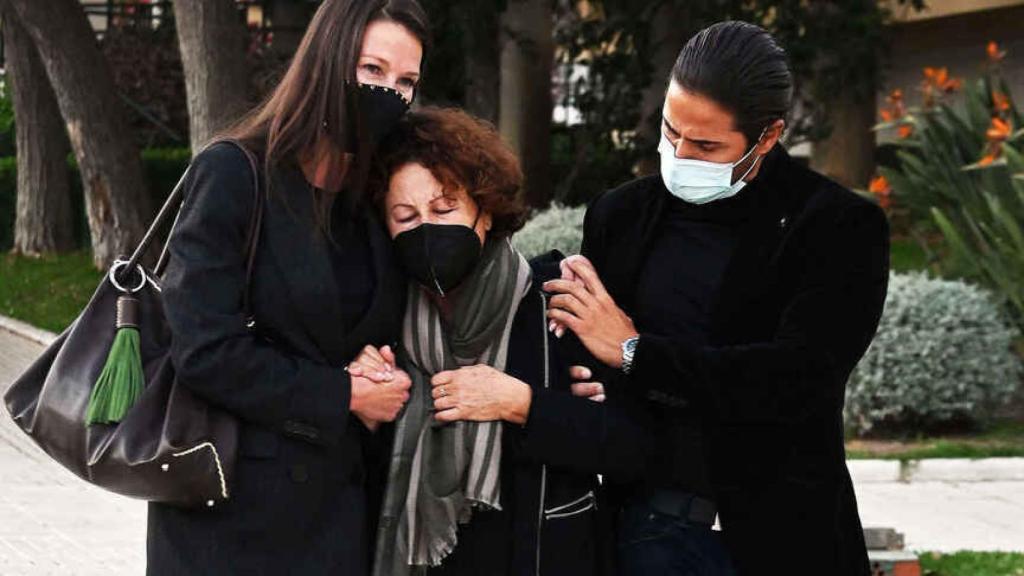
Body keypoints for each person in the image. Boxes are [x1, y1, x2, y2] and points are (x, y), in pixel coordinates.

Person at [545, 21, 889, 576]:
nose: (679, 153)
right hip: (642, 531)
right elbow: (598, 361)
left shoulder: (837, 227)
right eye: (670, 130)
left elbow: (796, 379)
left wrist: (636, 352)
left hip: (778, 538)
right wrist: (586, 375)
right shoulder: (620, 215)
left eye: (706, 145)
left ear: (768, 137)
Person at [149, 1, 429, 574]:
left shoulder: (375, 195)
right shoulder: (235, 172)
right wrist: (343, 394)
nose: (389, 94)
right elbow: (204, 350)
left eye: (406, 81)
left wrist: (382, 372)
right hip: (231, 521)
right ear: (327, 61)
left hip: (339, 518)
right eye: (372, 70)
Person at [348, 107, 650, 576]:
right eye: (405, 216)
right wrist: (365, 401)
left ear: (485, 212)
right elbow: (359, 470)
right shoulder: (381, 320)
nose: (426, 229)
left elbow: (629, 446)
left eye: (445, 209)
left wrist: (522, 403)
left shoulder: (556, 303)